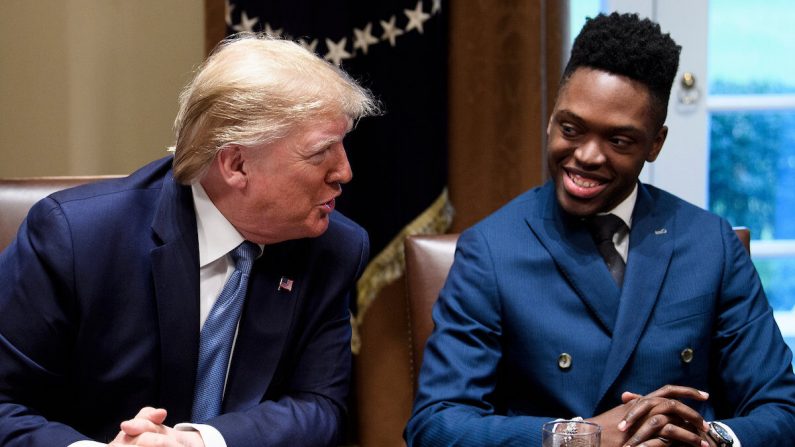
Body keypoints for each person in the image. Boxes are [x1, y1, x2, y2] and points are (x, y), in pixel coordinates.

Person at [405, 12, 795, 447]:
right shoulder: (492, 250)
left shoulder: (711, 244)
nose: (587, 156)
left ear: (655, 144)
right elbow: (436, 424)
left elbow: (781, 408)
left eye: (619, 140)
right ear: (551, 119)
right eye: (571, 129)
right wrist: (576, 437)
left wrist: (705, 439)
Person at [0, 33, 378, 447]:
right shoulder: (77, 238)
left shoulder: (333, 248)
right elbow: (5, 403)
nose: (344, 172)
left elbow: (320, 407)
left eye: (343, 145)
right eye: (320, 152)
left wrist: (196, 443)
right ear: (236, 164)